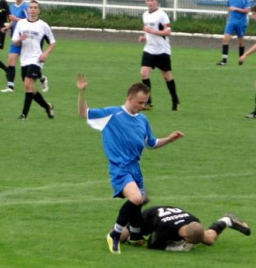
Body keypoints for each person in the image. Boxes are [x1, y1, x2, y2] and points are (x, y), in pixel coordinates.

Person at [76, 73, 184, 254]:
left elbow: (151, 143)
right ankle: (115, 234)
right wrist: (82, 92)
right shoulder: (111, 114)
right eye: (140, 103)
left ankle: (134, 236)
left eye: (145, 103)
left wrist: (170, 139)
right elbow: (83, 113)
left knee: (139, 201)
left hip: (135, 168)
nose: (143, 106)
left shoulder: (142, 120)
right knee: (135, 198)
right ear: (130, 98)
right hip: (119, 168)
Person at [119, 205, 251, 251]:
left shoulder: (194, 223)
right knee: (124, 236)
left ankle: (226, 220)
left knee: (209, 240)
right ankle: (117, 228)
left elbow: (198, 234)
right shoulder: (165, 229)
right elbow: (152, 244)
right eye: (189, 242)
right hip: (150, 216)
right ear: (185, 237)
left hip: (173, 213)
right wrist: (175, 247)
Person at [11, 1, 56, 120]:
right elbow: (14, 41)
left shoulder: (43, 25)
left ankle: (23, 115)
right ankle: (47, 106)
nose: (33, 10)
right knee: (30, 88)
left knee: (27, 84)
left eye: (35, 8)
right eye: (31, 7)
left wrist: (45, 53)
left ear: (39, 10)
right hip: (24, 59)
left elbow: (52, 43)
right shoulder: (21, 23)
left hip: (37, 59)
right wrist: (19, 40)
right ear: (28, 10)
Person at [1, 0, 49, 93]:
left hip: (28, 40)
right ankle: (10, 86)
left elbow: (29, 20)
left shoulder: (26, 7)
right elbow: (14, 22)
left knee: (29, 64)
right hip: (16, 38)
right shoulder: (12, 7)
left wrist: (16, 19)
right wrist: (8, 27)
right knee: (11, 60)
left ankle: (41, 78)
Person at [140, 0, 180, 111]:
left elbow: (168, 32)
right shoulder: (145, 15)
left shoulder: (162, 15)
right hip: (149, 48)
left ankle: (175, 100)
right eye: (148, 1)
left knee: (167, 76)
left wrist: (153, 32)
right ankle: (148, 103)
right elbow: (147, 31)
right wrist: (144, 37)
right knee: (144, 73)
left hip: (162, 50)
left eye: (152, 0)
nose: (150, 3)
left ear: (157, 1)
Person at [217, 0, 251, 66]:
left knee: (241, 42)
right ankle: (224, 60)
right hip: (231, 21)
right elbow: (229, 8)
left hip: (241, 22)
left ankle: (241, 59)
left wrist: (236, 9)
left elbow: (247, 11)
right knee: (225, 39)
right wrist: (228, 17)